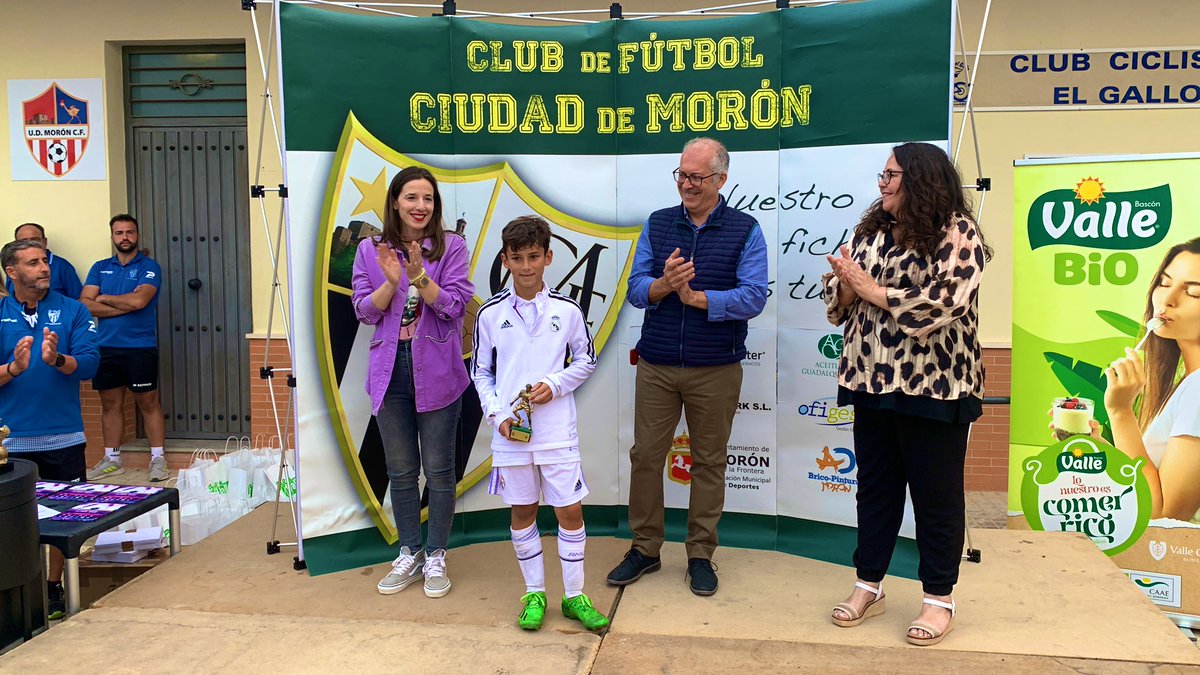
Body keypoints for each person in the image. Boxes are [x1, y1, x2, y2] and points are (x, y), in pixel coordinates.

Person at [823, 142, 990, 646]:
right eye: (882, 173)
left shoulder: (960, 233)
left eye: (892, 175)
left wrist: (871, 289)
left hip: (935, 387)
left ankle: (940, 600)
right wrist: (849, 284)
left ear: (920, 179)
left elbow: (940, 307)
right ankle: (867, 585)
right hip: (870, 380)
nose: (882, 182)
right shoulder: (871, 230)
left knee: (935, 498)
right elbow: (835, 301)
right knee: (875, 490)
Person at [607, 137, 768, 596]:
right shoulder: (658, 225)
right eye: (682, 174)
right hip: (657, 364)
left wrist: (699, 299)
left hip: (715, 367)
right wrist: (663, 284)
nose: (687, 184)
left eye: (697, 177)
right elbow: (636, 288)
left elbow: (755, 295)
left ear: (721, 180)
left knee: (710, 463)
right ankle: (645, 549)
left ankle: (700, 554)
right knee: (645, 458)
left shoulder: (746, 229)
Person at [471, 215, 609, 632]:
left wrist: (554, 384)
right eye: (518, 258)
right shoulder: (490, 314)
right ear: (506, 260)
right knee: (523, 510)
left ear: (548, 257)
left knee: (569, 510)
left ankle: (574, 597)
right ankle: (533, 593)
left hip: (556, 433)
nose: (527, 266)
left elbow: (586, 359)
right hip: (511, 435)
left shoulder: (567, 310)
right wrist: (499, 417)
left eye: (534, 256)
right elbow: (481, 373)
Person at [352, 166, 474, 598]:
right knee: (402, 471)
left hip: (439, 373)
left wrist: (420, 276)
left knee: (440, 471)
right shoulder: (371, 249)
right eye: (411, 198)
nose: (420, 207)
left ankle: (436, 554)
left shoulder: (452, 246)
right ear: (395, 202)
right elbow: (365, 312)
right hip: (389, 373)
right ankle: (409, 552)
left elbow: (457, 306)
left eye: (428, 199)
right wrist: (390, 284)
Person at [0, 239, 99, 619]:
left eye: (45, 261)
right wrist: (13, 369)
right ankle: (18, 592)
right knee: (16, 521)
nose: (44, 268)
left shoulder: (73, 310)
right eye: (33, 263)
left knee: (64, 518)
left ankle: (53, 589)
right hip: (11, 442)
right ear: (12, 272)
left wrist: (57, 359)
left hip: (63, 436)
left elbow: (90, 364)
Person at [1103, 237, 1200, 521]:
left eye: (1193, 292)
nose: (1167, 300)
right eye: (1164, 283)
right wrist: (1098, 443)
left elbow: (1164, 518)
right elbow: (1146, 479)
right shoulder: (1186, 382)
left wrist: (1121, 413)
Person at [80, 215, 168, 482]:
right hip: (105, 347)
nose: (124, 237)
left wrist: (103, 299)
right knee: (110, 404)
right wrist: (123, 303)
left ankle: (158, 459)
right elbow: (84, 304)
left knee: (148, 402)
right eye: (119, 233)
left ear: (137, 236)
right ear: (112, 237)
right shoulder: (100, 267)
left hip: (139, 347)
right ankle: (112, 460)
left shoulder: (149, 267)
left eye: (130, 232)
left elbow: (140, 301)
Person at [5, 223, 83, 299]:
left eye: (35, 240)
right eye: (24, 241)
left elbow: (78, 300)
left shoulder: (62, 266)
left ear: (45, 242)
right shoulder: (14, 267)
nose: (30, 244)